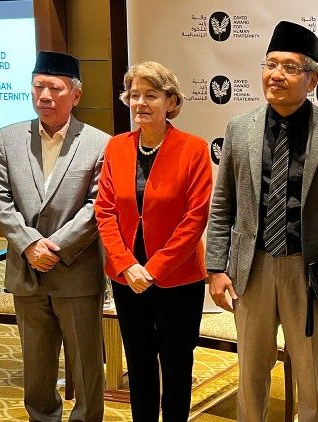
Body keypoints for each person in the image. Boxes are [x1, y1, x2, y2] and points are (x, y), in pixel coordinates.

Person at [206, 21, 318, 422]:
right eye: (270, 64)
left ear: (312, 79)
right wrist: (216, 268)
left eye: (289, 67)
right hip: (250, 269)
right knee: (251, 372)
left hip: (309, 270)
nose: (276, 75)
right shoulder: (240, 128)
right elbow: (223, 204)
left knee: (312, 377)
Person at [0, 51, 108, 422]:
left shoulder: (100, 143)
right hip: (27, 273)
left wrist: (52, 248)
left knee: (87, 367)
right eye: (38, 86)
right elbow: (0, 199)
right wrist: (29, 246)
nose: (45, 96)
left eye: (55, 88)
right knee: (36, 367)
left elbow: (97, 205)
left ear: (76, 95)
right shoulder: (7, 139)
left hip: (77, 271)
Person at [94, 61, 212, 422]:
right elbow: (105, 211)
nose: (140, 103)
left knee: (177, 364)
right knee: (139, 361)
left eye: (151, 95)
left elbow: (195, 219)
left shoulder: (193, 148)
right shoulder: (116, 147)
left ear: (171, 102)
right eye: (134, 95)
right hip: (127, 276)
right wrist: (127, 264)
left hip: (178, 278)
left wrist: (154, 269)